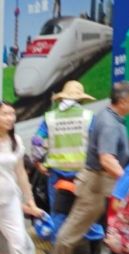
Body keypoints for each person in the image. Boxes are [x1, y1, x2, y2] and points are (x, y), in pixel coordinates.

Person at [45, 81, 129, 254]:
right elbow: (106, 158)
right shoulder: (109, 123)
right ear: (122, 101)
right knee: (75, 227)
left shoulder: (109, 118)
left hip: (99, 178)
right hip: (98, 180)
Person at [0, 101, 43, 254]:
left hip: (9, 202)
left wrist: (30, 201)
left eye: (12, 114)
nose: (10, 118)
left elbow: (21, 174)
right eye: (4, 114)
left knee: (17, 243)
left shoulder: (15, 140)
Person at [31, 81, 94, 220]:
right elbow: (95, 145)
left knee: (58, 211)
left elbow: (36, 141)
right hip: (81, 173)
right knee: (82, 213)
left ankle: (57, 240)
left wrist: (38, 163)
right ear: (81, 99)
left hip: (56, 172)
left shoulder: (50, 117)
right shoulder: (89, 117)